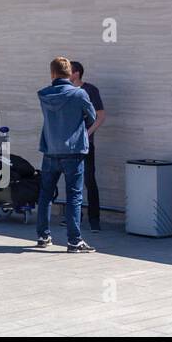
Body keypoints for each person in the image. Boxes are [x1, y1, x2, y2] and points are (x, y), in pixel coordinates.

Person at [35, 56, 97, 253]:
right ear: (70, 73)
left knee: (45, 195)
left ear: (52, 73)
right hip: (73, 151)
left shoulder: (43, 94)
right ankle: (74, 241)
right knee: (74, 196)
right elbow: (92, 116)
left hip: (50, 150)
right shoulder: (79, 94)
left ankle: (43, 236)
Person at [70, 60, 105, 232]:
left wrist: (87, 134)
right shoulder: (65, 91)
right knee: (71, 181)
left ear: (76, 73)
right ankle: (73, 217)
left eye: (69, 71)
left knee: (89, 181)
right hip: (68, 145)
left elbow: (101, 116)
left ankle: (94, 219)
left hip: (86, 144)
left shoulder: (90, 90)